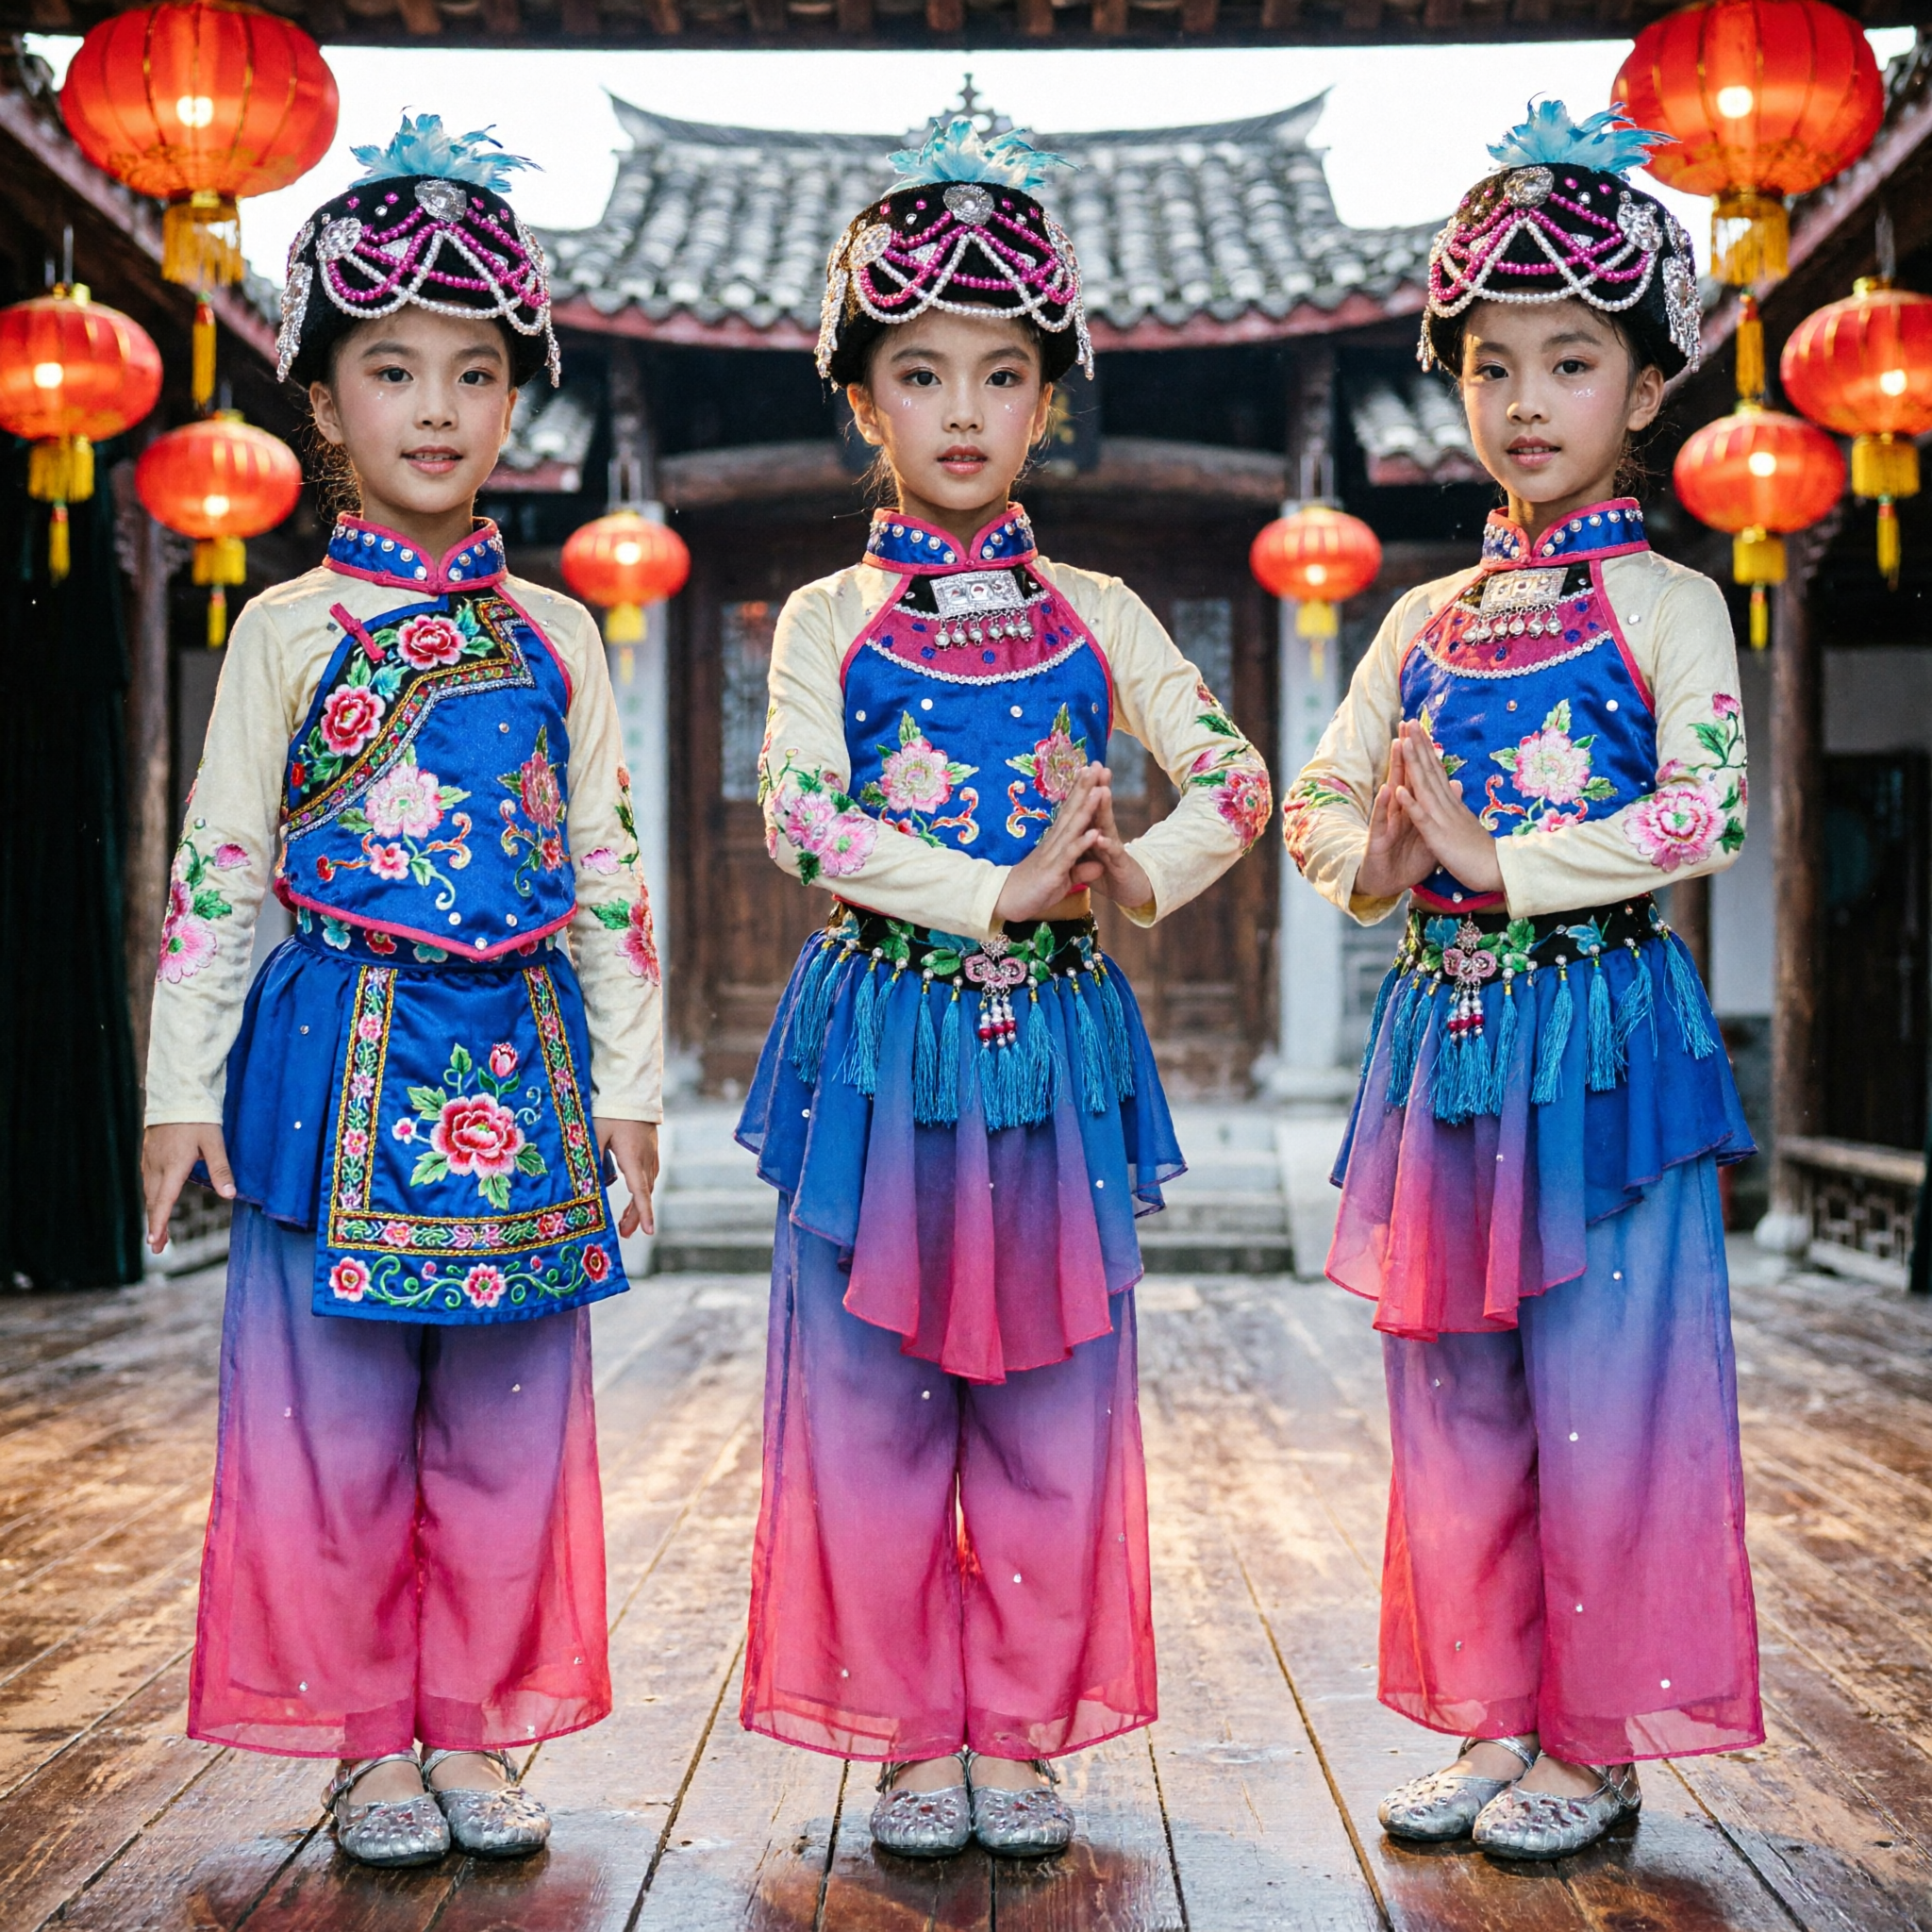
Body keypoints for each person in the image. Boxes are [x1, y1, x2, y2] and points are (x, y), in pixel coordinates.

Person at [736, 118, 1272, 1859]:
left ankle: (1023, 1733)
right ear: (863, 401)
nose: (959, 410)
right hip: (882, 1033)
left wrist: (1131, 874)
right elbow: (800, 812)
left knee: (1046, 1396)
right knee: (878, 1395)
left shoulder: (1103, 608)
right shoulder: (824, 615)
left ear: (1049, 404)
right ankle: (909, 1737)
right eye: (918, 374)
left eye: (1000, 375)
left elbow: (1243, 781)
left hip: (1051, 1032)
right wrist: (994, 887)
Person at [140, 117, 662, 1869]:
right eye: (390, 370)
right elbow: (218, 872)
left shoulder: (561, 631)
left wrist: (635, 1089)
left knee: (507, 1438)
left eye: (472, 372)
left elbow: (606, 876)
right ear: (326, 404)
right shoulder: (288, 631)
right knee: (337, 1434)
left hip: (517, 1066)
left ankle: (483, 1739)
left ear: (518, 403)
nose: (434, 407)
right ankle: (371, 1746)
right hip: (332, 1062)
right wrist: (173, 1085)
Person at [1282, 103, 1760, 1862]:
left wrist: (1506, 861)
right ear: (1458, 390)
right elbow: (1323, 804)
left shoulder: (1670, 604)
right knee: (1460, 1396)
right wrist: (1394, 863)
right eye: (1494, 364)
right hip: (1448, 1034)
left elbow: (1708, 801)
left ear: (1646, 389)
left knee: (1607, 1390)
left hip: (1602, 1029)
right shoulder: (1420, 617)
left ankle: (1597, 1740)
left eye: (1575, 359)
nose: (1530, 397)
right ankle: (1492, 1718)